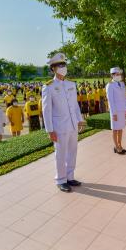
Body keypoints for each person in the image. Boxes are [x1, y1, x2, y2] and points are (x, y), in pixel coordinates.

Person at [42, 52, 86, 193]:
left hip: (73, 124)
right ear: (53, 68)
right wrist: (50, 130)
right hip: (59, 127)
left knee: (73, 152)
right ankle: (61, 180)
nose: (63, 67)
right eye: (59, 65)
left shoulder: (71, 84)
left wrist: (80, 120)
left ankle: (70, 176)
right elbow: (46, 111)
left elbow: (75, 105)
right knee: (60, 154)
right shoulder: (48, 87)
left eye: (64, 64)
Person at [106, 67, 126, 154]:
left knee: (120, 129)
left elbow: (125, 98)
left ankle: (120, 145)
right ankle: (116, 146)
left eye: (119, 74)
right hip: (115, 111)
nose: (119, 76)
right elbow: (110, 101)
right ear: (112, 75)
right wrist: (114, 113)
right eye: (117, 74)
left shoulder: (122, 84)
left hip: (122, 110)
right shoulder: (110, 85)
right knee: (115, 129)